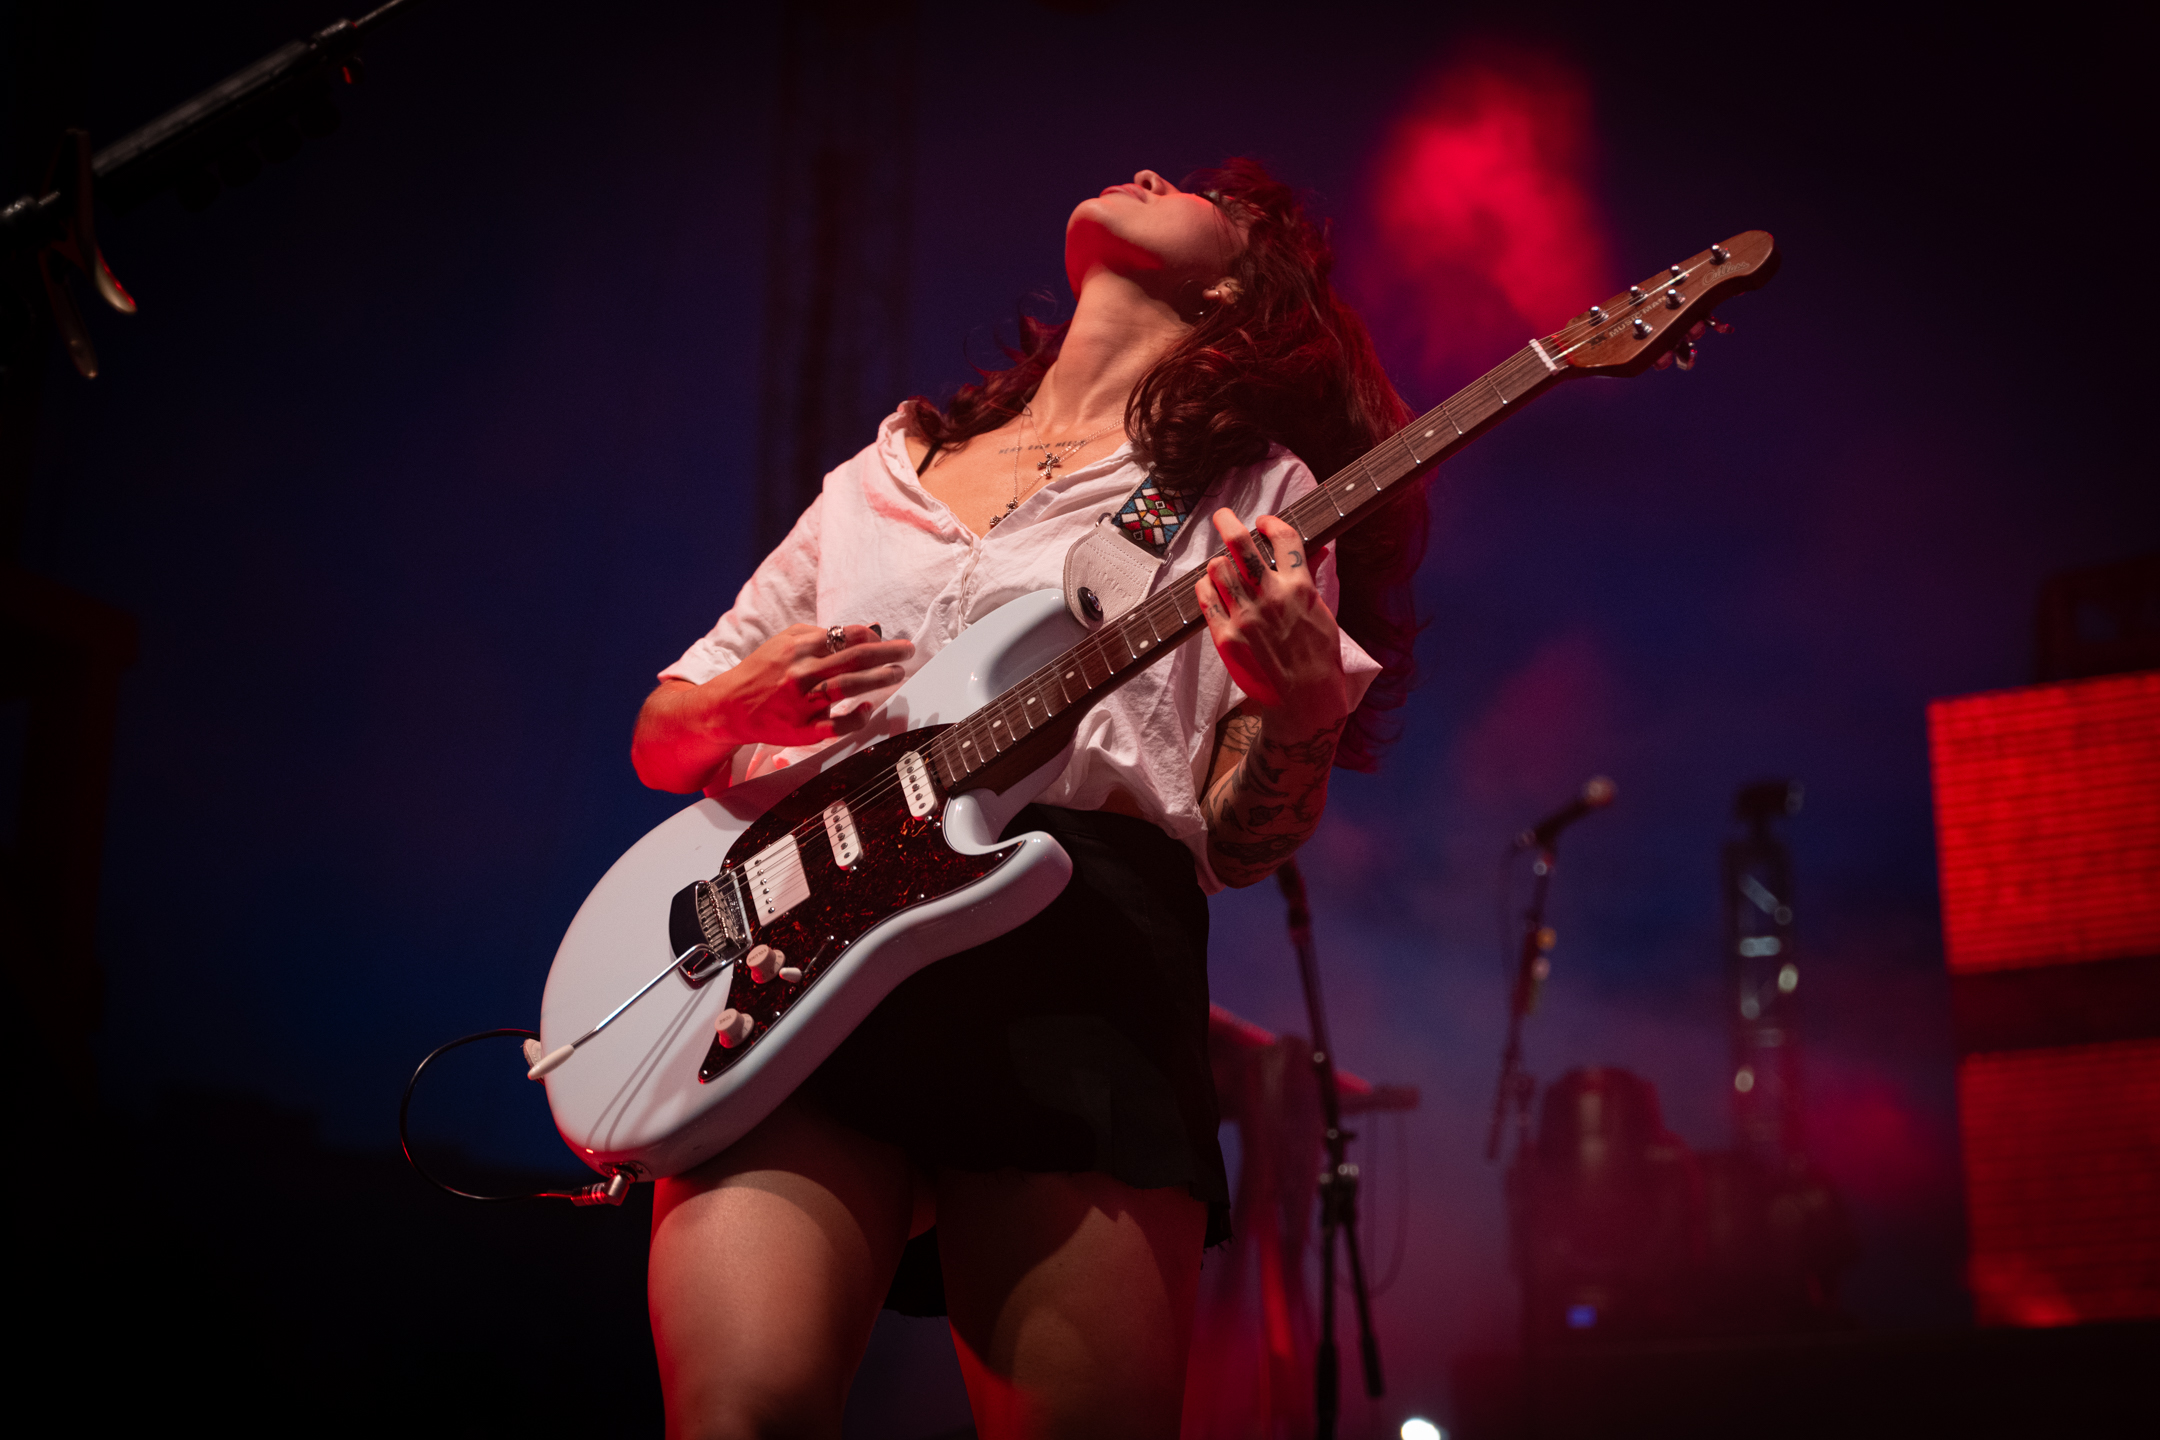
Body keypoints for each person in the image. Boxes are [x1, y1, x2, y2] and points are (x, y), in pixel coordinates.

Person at [629, 160, 1424, 1439]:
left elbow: (1237, 838)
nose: (1158, 166)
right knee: (739, 1415)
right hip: (800, 946)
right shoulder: (883, 475)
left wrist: (1302, 718)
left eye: (1217, 198)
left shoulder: (1256, 494)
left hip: (1076, 951)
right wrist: (742, 707)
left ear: (1232, 283)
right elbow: (665, 740)